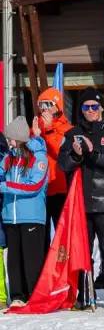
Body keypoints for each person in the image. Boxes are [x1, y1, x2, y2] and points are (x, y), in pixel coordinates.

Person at [58, 88, 104, 310]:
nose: (89, 110)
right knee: (82, 251)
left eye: (94, 106)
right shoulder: (72, 134)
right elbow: (63, 164)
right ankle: (84, 293)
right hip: (80, 203)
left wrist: (95, 153)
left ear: (102, 108)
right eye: (85, 107)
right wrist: (76, 155)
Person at [2, 117, 49, 307]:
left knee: (32, 258)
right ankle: (18, 295)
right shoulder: (9, 158)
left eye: (11, 138)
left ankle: (34, 294)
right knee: (14, 259)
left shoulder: (39, 158)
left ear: (20, 137)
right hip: (10, 216)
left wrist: (4, 186)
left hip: (31, 215)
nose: (9, 142)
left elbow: (33, 186)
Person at [33, 87, 72, 235]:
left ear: (58, 106)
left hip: (60, 187)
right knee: (40, 235)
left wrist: (49, 130)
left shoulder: (67, 129)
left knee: (62, 232)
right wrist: (35, 136)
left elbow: (60, 153)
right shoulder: (36, 128)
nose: (45, 109)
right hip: (39, 190)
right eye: (41, 105)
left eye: (48, 104)